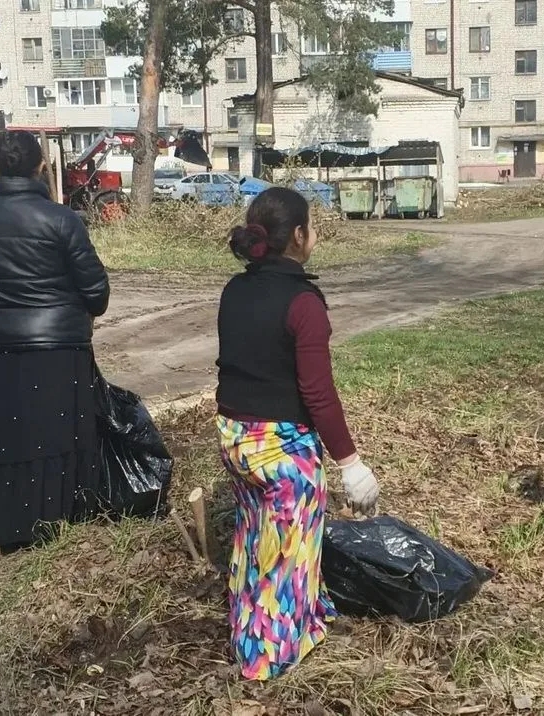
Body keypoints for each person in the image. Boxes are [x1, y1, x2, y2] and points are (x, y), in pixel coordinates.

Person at [215, 186, 381, 680]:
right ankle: (266, 656)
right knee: (286, 554)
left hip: (236, 439)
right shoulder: (303, 303)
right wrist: (351, 463)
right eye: (314, 227)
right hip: (282, 450)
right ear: (300, 235)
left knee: (255, 539)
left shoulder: (235, 289)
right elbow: (318, 392)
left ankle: (264, 626)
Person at [0, 130, 110, 550]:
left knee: (6, 434)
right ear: (42, 166)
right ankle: (58, 518)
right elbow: (96, 291)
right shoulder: (61, 219)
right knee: (58, 434)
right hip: (58, 346)